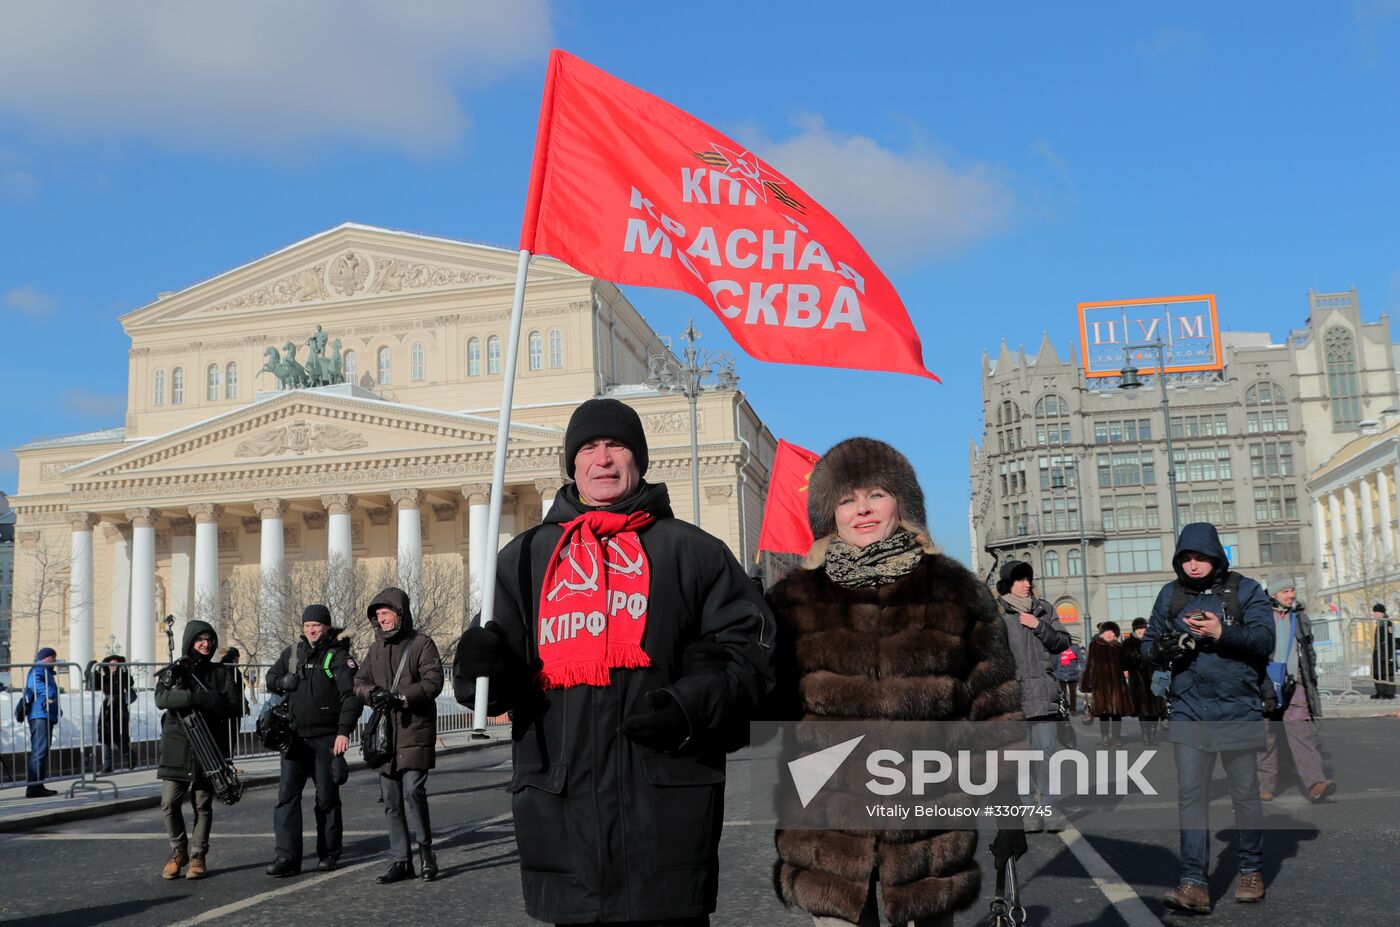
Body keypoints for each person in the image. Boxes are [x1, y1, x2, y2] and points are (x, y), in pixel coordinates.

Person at [452, 397, 775, 925]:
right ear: (572, 465)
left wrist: (688, 705)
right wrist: (482, 667)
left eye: (616, 445)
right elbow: (485, 688)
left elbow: (750, 659)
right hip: (562, 820)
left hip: (665, 820)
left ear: (638, 460)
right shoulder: (527, 558)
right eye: (588, 448)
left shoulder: (693, 553)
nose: (602, 459)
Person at [767, 437, 1025, 927]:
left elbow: (996, 708)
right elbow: (767, 701)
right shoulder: (795, 599)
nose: (861, 509)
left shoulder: (954, 589)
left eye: (876, 495)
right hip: (829, 825)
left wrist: (1009, 808)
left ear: (901, 505)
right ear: (830, 516)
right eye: (846, 499)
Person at [1143, 523, 1274, 913]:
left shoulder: (1244, 590)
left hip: (1237, 706)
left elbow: (1265, 641)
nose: (1193, 564)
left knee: (1245, 795)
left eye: (1200, 557)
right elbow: (1148, 646)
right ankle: (1193, 884)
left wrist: (1221, 632)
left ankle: (1251, 870)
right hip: (1188, 708)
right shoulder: (1171, 595)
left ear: (1216, 556)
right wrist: (1163, 647)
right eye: (1186, 557)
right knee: (1190, 796)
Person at [353, 586, 444, 884]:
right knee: (391, 800)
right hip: (385, 736)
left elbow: (433, 682)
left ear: (400, 614)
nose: (382, 620)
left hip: (414, 729)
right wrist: (373, 694)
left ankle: (426, 855)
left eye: (386, 613)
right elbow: (359, 682)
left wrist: (402, 698)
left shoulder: (422, 644)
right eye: (378, 615)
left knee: (413, 791)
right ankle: (401, 860)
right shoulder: (375, 649)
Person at [265, 605, 360, 876]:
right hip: (294, 738)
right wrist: (283, 681)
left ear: (327, 627)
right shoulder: (292, 653)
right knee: (286, 799)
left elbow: (350, 697)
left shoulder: (338, 656)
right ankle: (286, 857)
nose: (311, 629)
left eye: (316, 625)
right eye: (307, 624)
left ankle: (329, 853)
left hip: (326, 738)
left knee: (326, 797)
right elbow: (270, 679)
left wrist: (344, 732)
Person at [154, 620, 242, 880]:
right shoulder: (176, 670)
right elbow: (162, 698)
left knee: (202, 804)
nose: (205, 644)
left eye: (209, 639)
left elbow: (234, 705)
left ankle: (197, 855)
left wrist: (214, 701)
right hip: (177, 745)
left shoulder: (221, 673)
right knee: (169, 802)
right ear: (190, 642)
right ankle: (178, 850)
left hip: (208, 746)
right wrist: (195, 698)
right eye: (200, 639)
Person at [995, 559, 1070, 832]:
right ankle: (1028, 810)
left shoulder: (1044, 609)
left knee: (1048, 755)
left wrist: (1038, 625)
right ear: (1008, 584)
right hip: (1015, 699)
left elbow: (1062, 642)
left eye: (1028, 579)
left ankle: (1049, 808)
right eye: (1020, 579)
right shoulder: (997, 615)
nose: (1026, 584)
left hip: (1046, 695)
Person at [1256, 576, 1335, 802]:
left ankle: (1315, 783)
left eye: (1292, 590)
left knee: (1301, 732)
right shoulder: (1259, 616)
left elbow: (1307, 651)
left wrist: (1308, 678)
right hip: (1264, 682)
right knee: (1266, 734)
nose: (1291, 595)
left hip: (1294, 683)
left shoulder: (1299, 617)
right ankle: (1264, 785)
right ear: (1273, 594)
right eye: (1286, 591)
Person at [1080, 622, 1134, 747]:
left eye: (1112, 632)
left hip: (1117, 685)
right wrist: (1087, 683)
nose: (1109, 634)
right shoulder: (1095, 645)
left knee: (1116, 713)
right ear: (1102, 633)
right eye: (1107, 632)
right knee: (1103, 713)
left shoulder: (1119, 646)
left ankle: (1116, 737)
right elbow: (1090, 665)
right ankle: (1105, 736)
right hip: (1100, 685)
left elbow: (1125, 664)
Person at [21, 647, 61, 798]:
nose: (55, 661)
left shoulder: (44, 669)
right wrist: (50, 694)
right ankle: (34, 788)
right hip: (40, 715)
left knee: (41, 751)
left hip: (44, 713)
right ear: (47, 658)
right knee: (39, 751)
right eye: (54, 658)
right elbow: (34, 683)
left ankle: (38, 785)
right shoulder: (39, 668)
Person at [1123, 619, 1166, 746]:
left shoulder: (1154, 640)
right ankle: (1145, 735)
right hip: (1138, 682)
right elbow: (1123, 662)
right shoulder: (1128, 643)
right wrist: (1135, 656)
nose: (1141, 631)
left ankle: (1152, 733)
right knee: (1143, 711)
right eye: (1138, 629)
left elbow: (1163, 658)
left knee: (1156, 708)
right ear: (1134, 630)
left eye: (1143, 628)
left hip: (1155, 678)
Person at [94, 654, 135, 773]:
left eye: (116, 664)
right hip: (107, 707)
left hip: (120, 707)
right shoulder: (105, 676)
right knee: (105, 736)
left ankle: (130, 758)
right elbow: (95, 685)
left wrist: (125, 670)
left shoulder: (122, 676)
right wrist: (96, 670)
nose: (113, 667)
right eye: (111, 664)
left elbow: (130, 683)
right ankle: (107, 765)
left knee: (120, 736)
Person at [1371, 603, 1395, 699]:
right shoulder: (1379, 623)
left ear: (1381, 612)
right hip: (1378, 652)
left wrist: (1389, 656)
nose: (1374, 614)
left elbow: (1390, 640)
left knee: (1387, 673)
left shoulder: (1388, 623)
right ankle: (1380, 692)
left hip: (1386, 652)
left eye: (1376, 612)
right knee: (1377, 673)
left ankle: (1389, 693)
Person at [1056, 637, 1085, 714]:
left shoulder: (1075, 648)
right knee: (1062, 694)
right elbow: (1055, 661)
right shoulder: (1057, 648)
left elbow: (1081, 660)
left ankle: (1073, 709)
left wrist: (1082, 670)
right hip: (1061, 674)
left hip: (1073, 674)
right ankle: (1064, 708)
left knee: (1073, 693)